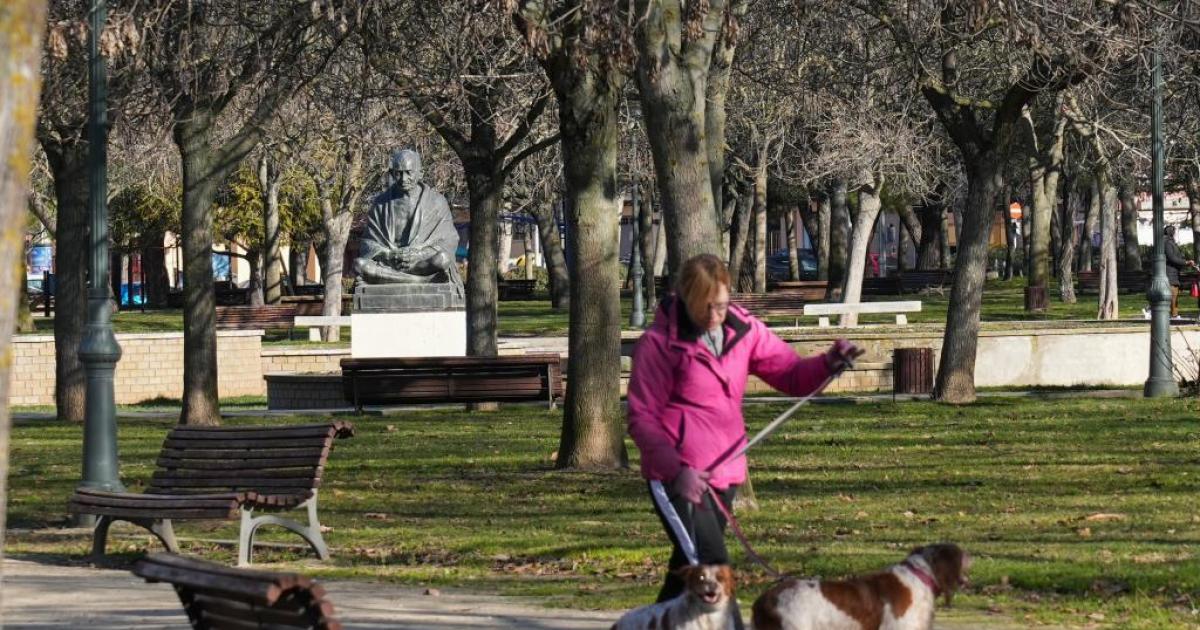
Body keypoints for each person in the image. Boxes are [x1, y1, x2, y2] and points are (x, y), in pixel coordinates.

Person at [626, 254, 863, 629]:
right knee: (713, 569)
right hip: (678, 478)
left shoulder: (744, 330)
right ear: (686, 299)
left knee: (684, 575)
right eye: (706, 307)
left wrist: (829, 363)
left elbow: (790, 373)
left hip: (726, 473)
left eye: (721, 304)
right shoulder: (659, 344)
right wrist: (677, 470)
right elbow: (642, 418)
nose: (716, 315)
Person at [354, 149, 464, 293]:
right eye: (398, 173)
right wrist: (389, 254)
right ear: (392, 174)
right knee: (359, 264)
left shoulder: (437, 202)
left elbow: (449, 240)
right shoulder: (380, 204)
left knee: (442, 259)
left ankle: (399, 279)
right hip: (391, 264)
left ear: (420, 173)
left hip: (422, 264)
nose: (403, 178)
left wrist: (418, 254)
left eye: (409, 172)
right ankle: (421, 281)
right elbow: (367, 243)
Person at [1163, 225, 1194, 318]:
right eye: (1175, 232)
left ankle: (1174, 313)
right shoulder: (1167, 243)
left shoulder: (1170, 242)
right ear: (1171, 232)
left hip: (1174, 272)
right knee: (1173, 293)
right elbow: (1172, 258)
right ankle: (1174, 314)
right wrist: (1185, 262)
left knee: (1174, 293)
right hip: (1169, 272)